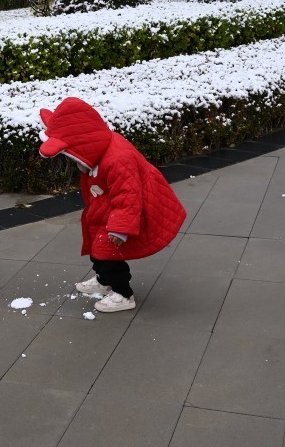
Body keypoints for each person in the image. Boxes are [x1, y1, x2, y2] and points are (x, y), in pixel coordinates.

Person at [38, 97, 187, 312]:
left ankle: (123, 294)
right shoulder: (101, 150)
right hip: (107, 204)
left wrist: (120, 228)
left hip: (128, 209)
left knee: (108, 253)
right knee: (96, 246)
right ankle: (103, 280)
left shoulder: (117, 159)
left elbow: (129, 195)